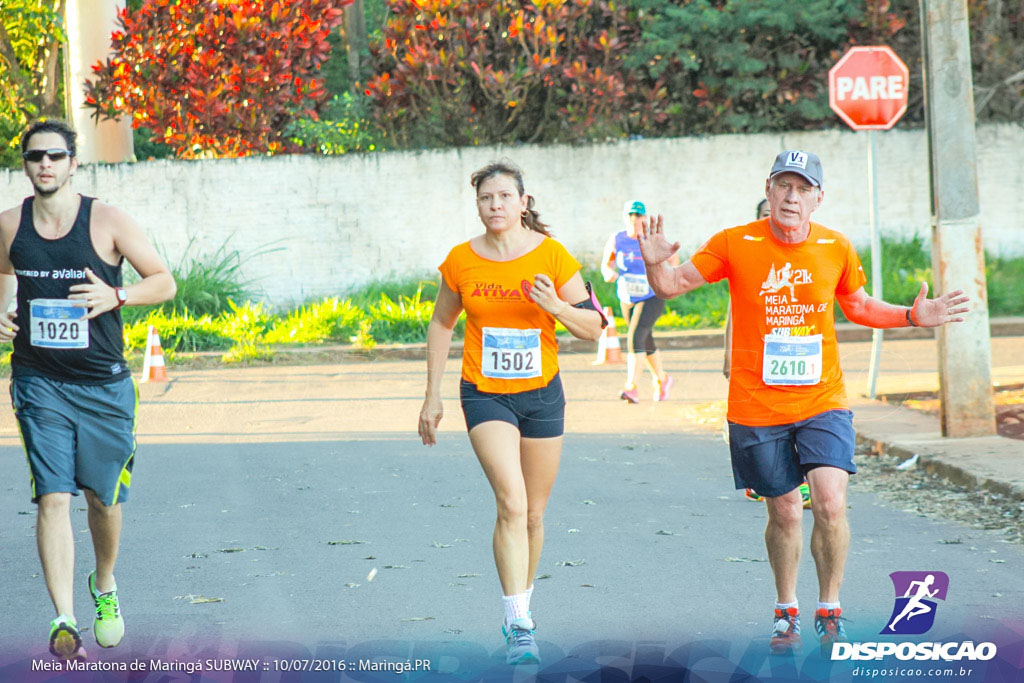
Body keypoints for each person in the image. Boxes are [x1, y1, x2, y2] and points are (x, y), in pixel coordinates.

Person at [637, 150, 969, 656]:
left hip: (822, 399)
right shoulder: (734, 242)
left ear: (818, 197)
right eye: (783, 186)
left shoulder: (835, 246)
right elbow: (671, 284)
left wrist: (910, 314)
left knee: (831, 501)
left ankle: (829, 607)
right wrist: (653, 259)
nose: (792, 197)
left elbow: (856, 305)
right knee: (787, 512)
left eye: (802, 188)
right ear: (768, 190)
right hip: (755, 405)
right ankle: (786, 607)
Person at [0, 119, 177, 660]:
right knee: (52, 496)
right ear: (25, 165)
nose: (45, 165)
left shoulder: (107, 221)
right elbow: (2, 276)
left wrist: (117, 296)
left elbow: (164, 282)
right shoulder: (9, 226)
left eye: (55, 156)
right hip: (38, 381)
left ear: (74, 163)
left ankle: (104, 585)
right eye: (35, 158)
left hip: (104, 385)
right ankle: (64, 618)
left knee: (103, 499)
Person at [418, 161, 603, 665]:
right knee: (512, 502)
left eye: (504, 197)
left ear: (523, 202)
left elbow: (595, 327)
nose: (494, 206)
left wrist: (557, 307)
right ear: (477, 205)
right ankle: (520, 623)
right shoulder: (461, 261)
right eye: (485, 198)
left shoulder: (552, 256)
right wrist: (432, 395)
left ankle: (520, 605)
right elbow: (441, 324)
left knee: (536, 514)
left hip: (542, 393)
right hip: (485, 394)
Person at [727, 200, 811, 509]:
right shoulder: (746, 256)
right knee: (767, 430)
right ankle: (763, 480)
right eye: (763, 215)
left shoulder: (809, 255)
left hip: (802, 365)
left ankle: (801, 483)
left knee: (801, 423)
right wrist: (729, 359)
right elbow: (732, 317)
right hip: (756, 370)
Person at [600, 200, 677, 403]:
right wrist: (610, 273)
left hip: (652, 295)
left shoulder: (651, 238)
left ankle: (631, 388)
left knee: (635, 337)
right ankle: (663, 379)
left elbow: (673, 261)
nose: (635, 219)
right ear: (625, 217)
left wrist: (665, 275)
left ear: (644, 218)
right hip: (628, 297)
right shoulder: (617, 239)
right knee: (646, 339)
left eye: (639, 216)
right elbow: (606, 264)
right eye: (631, 215)